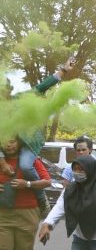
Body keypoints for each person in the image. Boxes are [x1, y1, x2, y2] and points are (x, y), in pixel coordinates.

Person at [0, 57, 74, 213]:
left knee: (26, 166)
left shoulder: (22, 99)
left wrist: (64, 70)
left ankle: (41, 198)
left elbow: (42, 86)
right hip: (6, 147)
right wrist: (2, 162)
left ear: (8, 89)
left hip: (28, 142)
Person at [0, 137, 52, 250]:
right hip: (3, 215)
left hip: (28, 213)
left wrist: (27, 184)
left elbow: (47, 181)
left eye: (13, 141)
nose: (9, 144)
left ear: (20, 142)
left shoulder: (30, 160)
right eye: (5, 140)